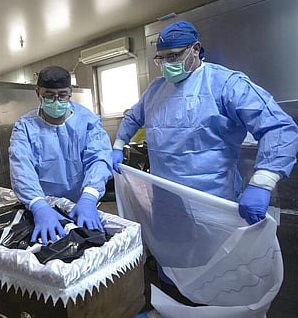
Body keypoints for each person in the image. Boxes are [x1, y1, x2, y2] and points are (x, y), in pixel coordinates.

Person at [112, 20, 298, 317]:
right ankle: (170, 309)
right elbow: (133, 117)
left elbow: (279, 128)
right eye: (161, 58)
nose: (167, 65)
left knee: (218, 271)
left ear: (195, 49)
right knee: (172, 263)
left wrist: (263, 181)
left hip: (211, 203)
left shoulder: (227, 84)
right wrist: (118, 143)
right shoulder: (156, 89)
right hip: (167, 204)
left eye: (174, 56)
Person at [9, 65, 113, 245]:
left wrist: (89, 196)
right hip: (43, 205)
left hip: (81, 202)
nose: (56, 101)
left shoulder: (86, 121)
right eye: (49, 95)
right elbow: (21, 168)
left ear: (70, 93)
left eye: (62, 95)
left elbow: (99, 158)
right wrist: (38, 205)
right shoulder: (25, 127)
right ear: (38, 93)